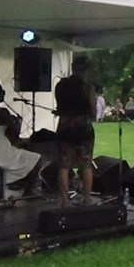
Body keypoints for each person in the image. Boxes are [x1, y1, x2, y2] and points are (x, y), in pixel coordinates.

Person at [53, 56, 98, 207]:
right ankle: (87, 199)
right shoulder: (88, 87)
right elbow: (93, 111)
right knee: (86, 164)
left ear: (72, 68)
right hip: (83, 129)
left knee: (64, 164)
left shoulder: (60, 85)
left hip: (65, 127)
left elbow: (59, 108)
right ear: (86, 70)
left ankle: (65, 200)